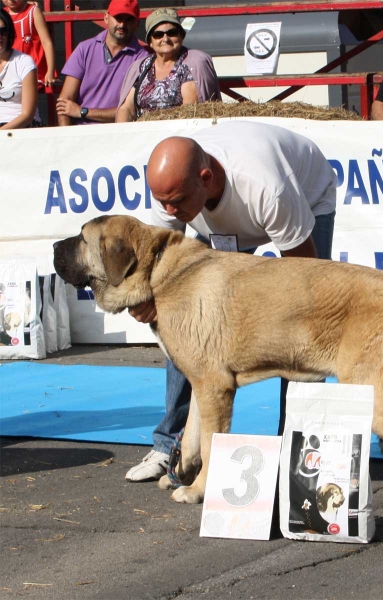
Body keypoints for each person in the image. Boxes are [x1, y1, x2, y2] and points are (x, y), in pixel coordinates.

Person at [125, 120, 337, 481]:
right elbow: (153, 268)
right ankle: (170, 446)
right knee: (182, 320)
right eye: (162, 202)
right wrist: (143, 300)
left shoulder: (268, 189)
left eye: (175, 202)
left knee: (303, 327)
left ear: (205, 179)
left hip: (307, 195)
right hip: (225, 215)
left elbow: (308, 283)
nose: (169, 212)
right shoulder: (172, 189)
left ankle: (297, 450)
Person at [116, 8, 220, 122]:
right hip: (142, 134)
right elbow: (126, 108)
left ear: (181, 36)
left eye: (172, 33)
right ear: (150, 41)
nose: (165, 39)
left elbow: (189, 110)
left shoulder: (192, 63)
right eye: (158, 34)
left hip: (177, 133)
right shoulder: (141, 67)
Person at [56, 0, 148, 126]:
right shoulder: (84, 49)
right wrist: (66, 138)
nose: (122, 24)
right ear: (106, 17)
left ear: (137, 24)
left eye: (129, 19)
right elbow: (64, 103)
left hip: (118, 133)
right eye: (118, 18)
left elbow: (132, 111)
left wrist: (83, 112)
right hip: (78, 134)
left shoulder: (143, 59)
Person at [0, 7, 41, 129]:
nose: (0, 36)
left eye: (3, 31)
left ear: (10, 33)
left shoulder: (24, 62)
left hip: (20, 127)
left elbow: (27, 115)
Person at [2, 0, 56, 90]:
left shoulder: (33, 11)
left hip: (32, 67)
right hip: (10, 66)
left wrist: (50, 71)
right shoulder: (3, 14)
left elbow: (47, 42)